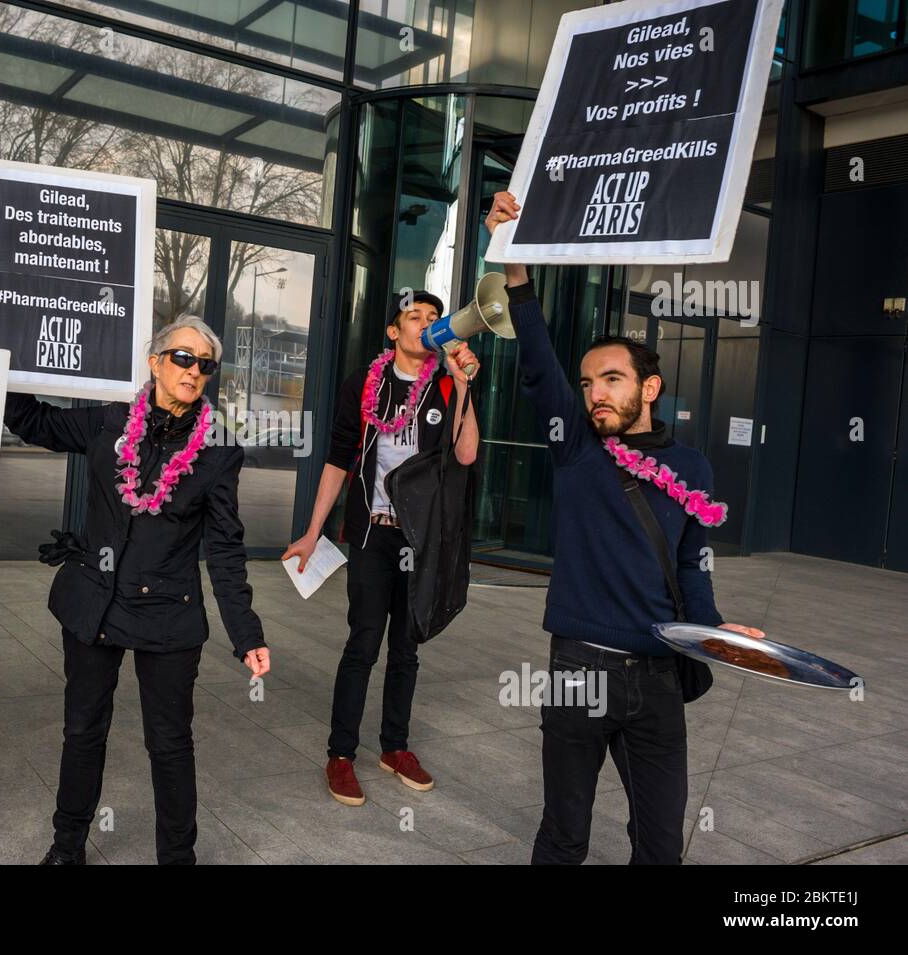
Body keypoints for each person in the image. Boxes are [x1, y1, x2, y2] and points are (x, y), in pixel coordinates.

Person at [485, 190, 766, 864]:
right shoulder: (578, 448)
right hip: (579, 666)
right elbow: (539, 364)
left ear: (650, 387)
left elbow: (693, 563)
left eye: (611, 379)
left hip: (660, 674)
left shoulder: (692, 466)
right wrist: (517, 274)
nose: (594, 393)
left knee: (661, 844)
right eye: (587, 384)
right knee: (564, 836)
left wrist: (714, 630)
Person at [0, 315, 271, 865]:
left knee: (169, 745)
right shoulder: (109, 423)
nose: (194, 371)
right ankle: (66, 848)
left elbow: (223, 547)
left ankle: (177, 858)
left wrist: (247, 633)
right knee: (82, 731)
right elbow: (34, 421)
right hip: (94, 601)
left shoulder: (219, 450)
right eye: (183, 358)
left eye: (205, 365)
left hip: (168, 614)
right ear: (155, 362)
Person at [284, 290, 480, 806]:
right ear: (393, 332)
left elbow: (465, 453)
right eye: (414, 316)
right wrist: (312, 531)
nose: (426, 323)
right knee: (362, 643)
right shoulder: (364, 384)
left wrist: (462, 387)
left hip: (421, 538)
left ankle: (395, 747)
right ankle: (341, 753)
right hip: (372, 532)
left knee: (407, 647)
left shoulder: (445, 382)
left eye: (434, 317)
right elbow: (338, 459)